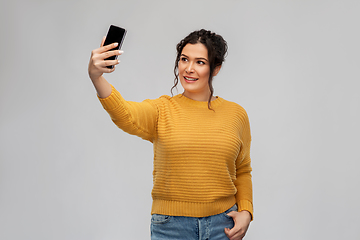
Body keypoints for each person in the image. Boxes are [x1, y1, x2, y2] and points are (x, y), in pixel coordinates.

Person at [88, 29, 253, 240]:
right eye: (184, 59)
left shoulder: (236, 114)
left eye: (200, 62)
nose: (189, 69)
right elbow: (125, 114)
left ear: (216, 68)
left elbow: (243, 169)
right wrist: (96, 77)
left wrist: (246, 211)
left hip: (224, 226)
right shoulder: (162, 110)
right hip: (171, 227)